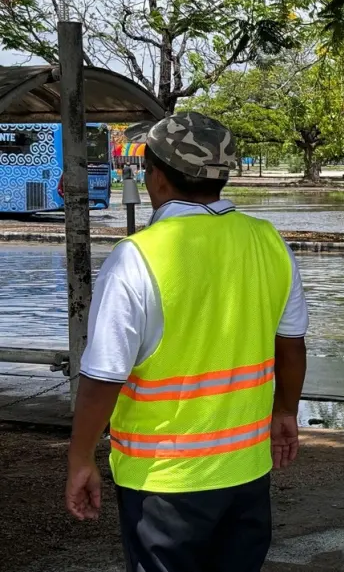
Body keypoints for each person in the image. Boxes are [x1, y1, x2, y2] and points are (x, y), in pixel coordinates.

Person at [65, 112, 309, 572]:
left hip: (163, 481)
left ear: (155, 177)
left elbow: (103, 377)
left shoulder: (137, 257)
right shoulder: (269, 242)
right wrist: (285, 411)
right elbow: (291, 345)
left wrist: (80, 457)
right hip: (246, 472)